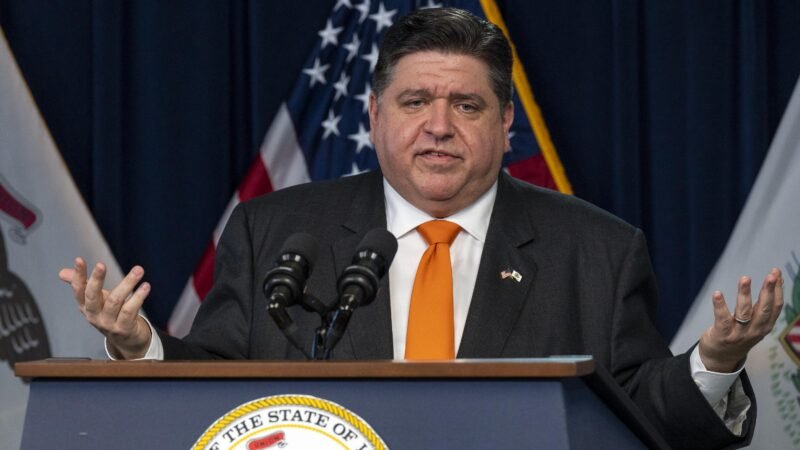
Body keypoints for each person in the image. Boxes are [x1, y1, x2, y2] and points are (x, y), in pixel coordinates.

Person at [59, 7, 782, 449]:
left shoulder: (598, 250)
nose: (439, 126)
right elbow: (218, 390)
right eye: (414, 103)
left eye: (466, 106)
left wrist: (714, 362)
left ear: (505, 123)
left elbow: (644, 419)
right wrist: (140, 346)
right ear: (375, 117)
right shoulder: (272, 230)